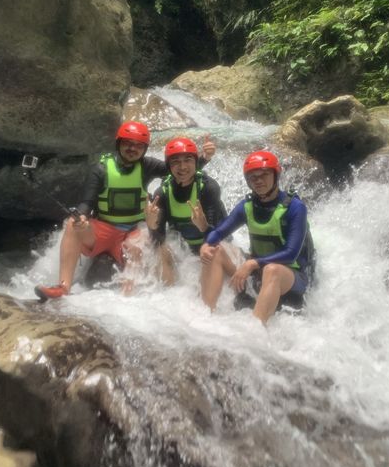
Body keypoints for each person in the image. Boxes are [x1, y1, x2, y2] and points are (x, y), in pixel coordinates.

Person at [34, 122, 215, 300]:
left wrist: (203, 159)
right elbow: (86, 203)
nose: (132, 149)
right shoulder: (101, 169)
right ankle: (64, 286)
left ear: (144, 149)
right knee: (73, 224)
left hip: (132, 231)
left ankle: (126, 297)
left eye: (138, 146)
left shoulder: (148, 166)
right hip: (103, 231)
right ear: (118, 144)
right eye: (127, 143)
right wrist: (82, 216)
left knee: (138, 242)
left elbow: (180, 171)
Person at [199, 150, 315, 324]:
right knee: (215, 251)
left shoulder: (295, 208)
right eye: (253, 177)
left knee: (272, 269)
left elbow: (291, 253)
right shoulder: (247, 206)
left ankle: (254, 334)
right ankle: (205, 316)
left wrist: (253, 263)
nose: (259, 180)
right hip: (260, 271)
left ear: (276, 175)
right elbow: (220, 232)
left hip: (292, 277)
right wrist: (207, 244)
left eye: (264, 175)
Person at [145, 137, 232, 285]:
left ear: (195, 163)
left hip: (214, 244)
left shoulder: (209, 188)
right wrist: (152, 226)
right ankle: (169, 296)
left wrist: (203, 226)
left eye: (188, 160)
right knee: (159, 250)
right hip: (184, 249)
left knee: (213, 251)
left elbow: (216, 235)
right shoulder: (163, 193)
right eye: (176, 162)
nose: (182, 166)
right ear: (169, 166)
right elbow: (158, 239)